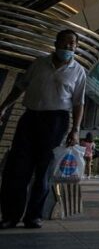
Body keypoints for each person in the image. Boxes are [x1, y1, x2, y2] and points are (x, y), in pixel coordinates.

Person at [0, 29, 86, 229]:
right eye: (64, 42)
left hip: (56, 122)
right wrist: (3, 106)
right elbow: (20, 86)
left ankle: (34, 216)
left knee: (44, 170)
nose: (68, 46)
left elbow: (78, 103)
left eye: (72, 43)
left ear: (76, 47)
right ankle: (10, 216)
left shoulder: (78, 71)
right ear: (56, 44)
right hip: (30, 118)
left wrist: (75, 130)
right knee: (18, 168)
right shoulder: (39, 64)